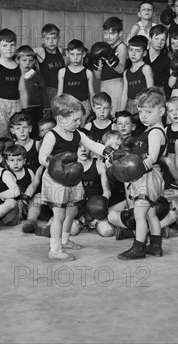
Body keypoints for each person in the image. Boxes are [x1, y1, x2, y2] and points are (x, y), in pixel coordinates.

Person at [38, 94, 113, 261]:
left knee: (71, 210)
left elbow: (93, 145)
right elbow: (42, 157)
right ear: (60, 118)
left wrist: (109, 152)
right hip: (56, 179)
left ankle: (64, 240)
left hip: (73, 177)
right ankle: (55, 249)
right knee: (59, 215)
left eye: (80, 120)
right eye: (76, 120)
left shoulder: (77, 133)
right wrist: (55, 164)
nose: (79, 123)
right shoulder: (51, 135)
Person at [111, 88, 168, 259]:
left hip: (147, 176)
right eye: (141, 112)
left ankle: (139, 247)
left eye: (148, 112)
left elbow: (153, 157)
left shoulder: (155, 132)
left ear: (162, 111)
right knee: (150, 213)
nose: (143, 116)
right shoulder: (152, 130)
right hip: (150, 175)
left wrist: (133, 166)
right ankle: (156, 246)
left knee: (138, 213)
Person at [0, 28, 28, 139]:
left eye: (12, 45)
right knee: (0, 136)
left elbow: (22, 91)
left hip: (16, 105)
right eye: (5, 45)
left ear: (16, 46)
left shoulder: (19, 68)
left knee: (16, 135)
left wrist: (25, 110)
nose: (9, 48)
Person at [93, 17, 128, 115]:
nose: (108, 36)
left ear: (120, 33)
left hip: (117, 84)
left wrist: (111, 59)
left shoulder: (121, 47)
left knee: (115, 114)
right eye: (106, 33)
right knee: (104, 115)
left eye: (112, 33)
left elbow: (121, 69)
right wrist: (96, 65)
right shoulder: (103, 48)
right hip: (103, 85)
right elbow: (98, 76)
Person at [57, 39, 94, 125]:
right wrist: (58, 110)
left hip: (84, 106)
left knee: (83, 131)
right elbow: (59, 93)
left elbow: (91, 93)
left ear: (83, 54)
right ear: (67, 54)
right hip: (67, 106)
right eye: (72, 54)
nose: (75, 57)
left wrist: (94, 110)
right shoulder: (62, 72)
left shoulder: (88, 72)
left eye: (78, 54)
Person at [16, 45, 47, 139]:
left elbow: (43, 94)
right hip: (19, 109)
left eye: (30, 61)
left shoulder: (38, 76)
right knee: (21, 133)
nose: (27, 63)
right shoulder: (15, 74)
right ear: (18, 61)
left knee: (35, 133)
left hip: (36, 109)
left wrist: (46, 109)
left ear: (34, 61)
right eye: (24, 60)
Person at [35, 23, 67, 111]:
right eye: (47, 39)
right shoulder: (41, 51)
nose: (51, 41)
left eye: (54, 38)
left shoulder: (60, 50)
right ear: (42, 40)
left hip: (62, 89)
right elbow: (24, 51)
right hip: (48, 91)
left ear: (58, 39)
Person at [121, 35, 154, 113]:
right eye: (131, 50)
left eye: (138, 51)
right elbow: (125, 94)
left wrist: (144, 104)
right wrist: (121, 111)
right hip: (130, 106)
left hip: (144, 105)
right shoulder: (126, 72)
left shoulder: (146, 68)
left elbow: (151, 91)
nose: (133, 53)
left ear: (144, 53)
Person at [144, 24, 171, 97]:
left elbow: (167, 85)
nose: (159, 42)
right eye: (156, 39)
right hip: (140, 93)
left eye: (163, 40)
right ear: (150, 38)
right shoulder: (141, 56)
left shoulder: (167, 61)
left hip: (158, 96)